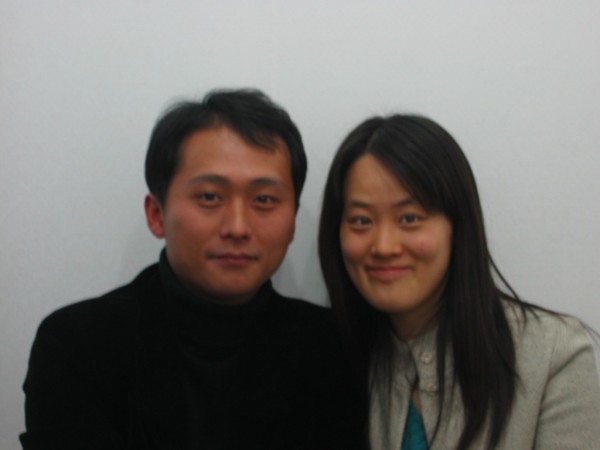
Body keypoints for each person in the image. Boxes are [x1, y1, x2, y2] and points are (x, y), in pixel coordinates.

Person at [21, 88, 363, 450]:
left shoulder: (328, 348)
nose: (237, 227)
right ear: (157, 214)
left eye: (264, 199)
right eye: (209, 197)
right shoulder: (78, 346)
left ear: (292, 221)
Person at [318, 114, 600, 449]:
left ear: (457, 226)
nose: (384, 247)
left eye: (409, 218)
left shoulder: (552, 354)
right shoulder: (327, 358)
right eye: (361, 220)